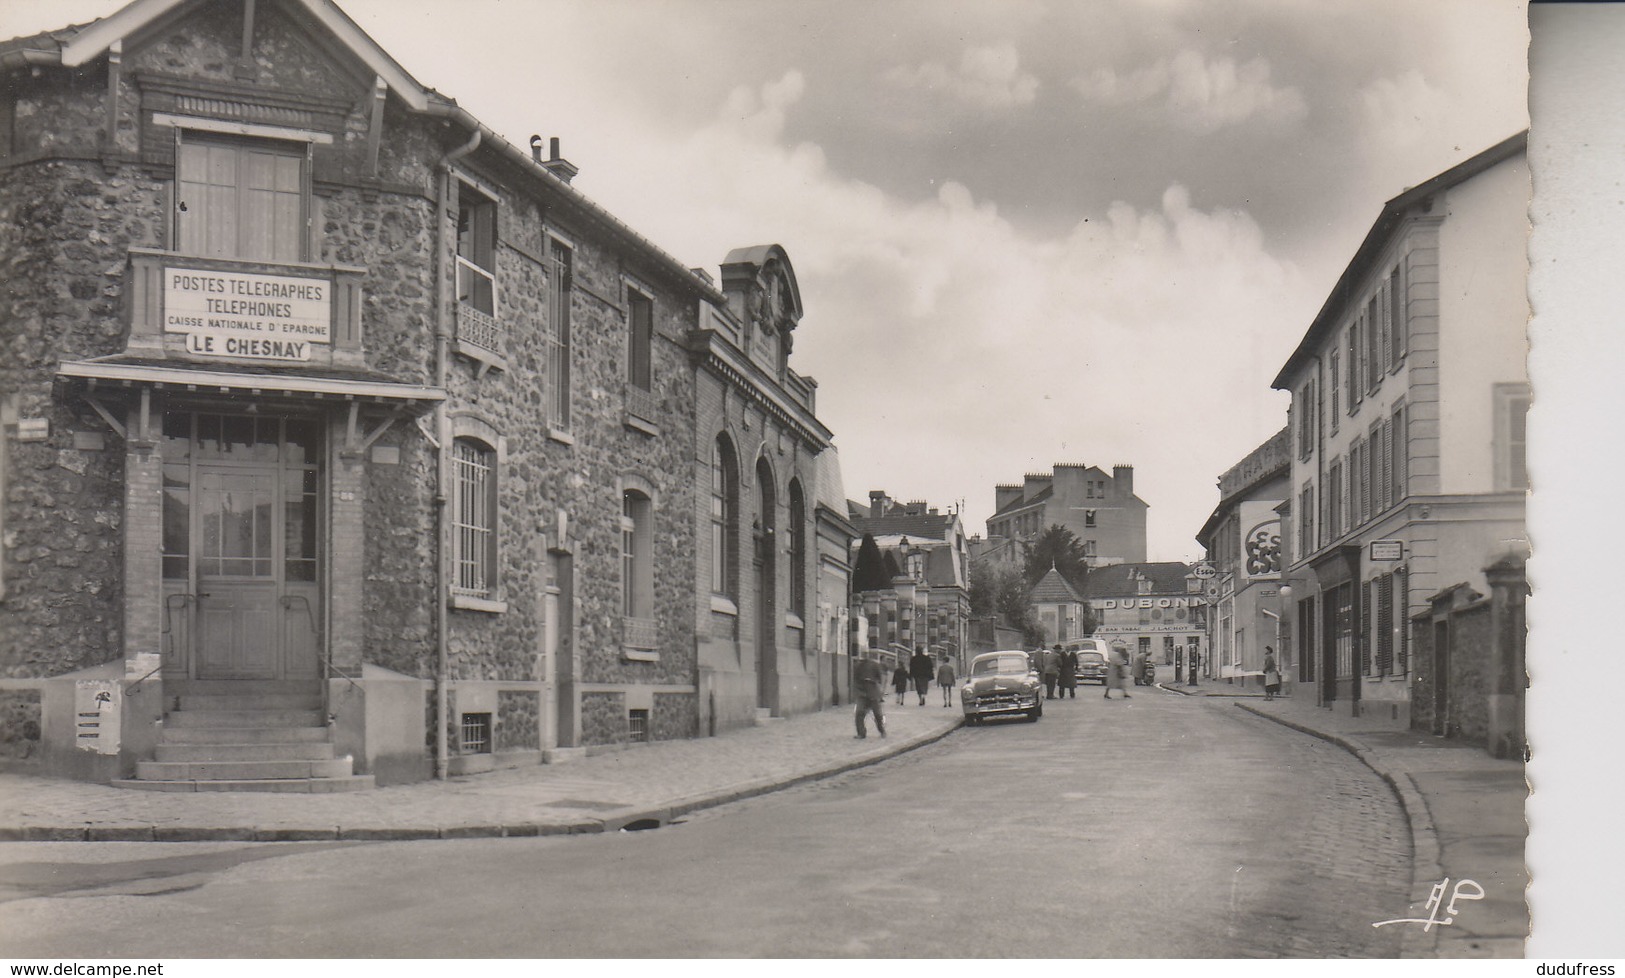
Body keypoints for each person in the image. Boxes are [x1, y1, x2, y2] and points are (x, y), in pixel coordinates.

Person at [853, 651, 886, 739]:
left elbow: (879, 679)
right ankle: (861, 733)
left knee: (877, 714)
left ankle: (882, 730)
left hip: (872, 692)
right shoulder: (858, 666)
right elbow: (855, 679)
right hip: (863, 692)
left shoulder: (874, 665)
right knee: (859, 713)